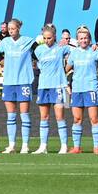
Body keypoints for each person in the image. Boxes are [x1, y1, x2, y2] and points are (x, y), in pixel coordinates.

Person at [0, 18, 35, 154]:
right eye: (9, 29)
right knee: (11, 116)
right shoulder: (5, 42)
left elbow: (38, 52)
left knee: (24, 115)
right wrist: (2, 63)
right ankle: (11, 145)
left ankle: (25, 145)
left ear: (19, 28)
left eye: (13, 29)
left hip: (23, 81)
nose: (11, 31)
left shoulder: (28, 41)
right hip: (9, 82)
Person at [33, 24, 71, 154]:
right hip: (43, 86)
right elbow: (35, 62)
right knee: (44, 116)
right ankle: (43, 146)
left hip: (58, 86)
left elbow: (76, 51)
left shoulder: (60, 48)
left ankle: (64, 146)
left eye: (49, 38)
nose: (47, 40)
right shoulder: (39, 50)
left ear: (54, 37)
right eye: (45, 38)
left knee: (59, 116)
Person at [65, 27, 98, 154]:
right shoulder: (74, 53)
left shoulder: (95, 51)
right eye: (81, 38)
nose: (83, 40)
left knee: (94, 118)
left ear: (89, 39)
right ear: (78, 40)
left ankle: (96, 147)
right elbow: (66, 69)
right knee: (77, 119)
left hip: (91, 88)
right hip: (77, 89)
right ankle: (77, 147)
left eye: (86, 38)